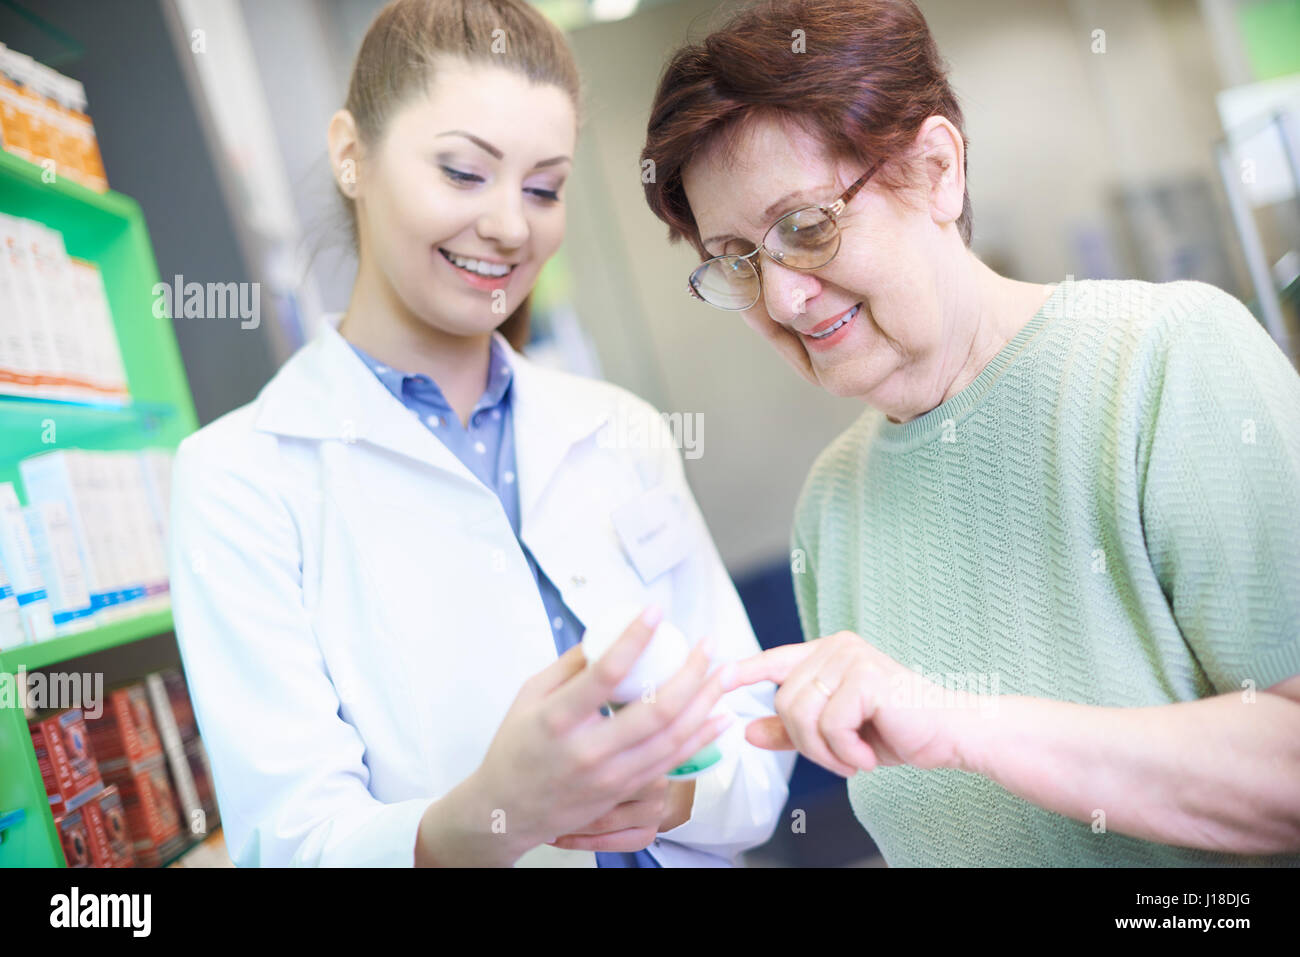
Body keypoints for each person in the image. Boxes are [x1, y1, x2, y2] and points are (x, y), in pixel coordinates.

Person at [640, 0, 1300, 866]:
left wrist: (965, 724)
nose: (784, 297)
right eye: (736, 259)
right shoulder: (832, 507)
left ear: (938, 168)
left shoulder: (1169, 362)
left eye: (804, 228)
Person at [168, 0, 793, 868]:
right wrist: (492, 813)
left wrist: (667, 798)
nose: (510, 224)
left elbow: (753, 745)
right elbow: (291, 845)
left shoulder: (620, 430)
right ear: (351, 155)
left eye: (543, 187)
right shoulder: (237, 479)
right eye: (464, 172)